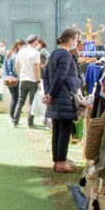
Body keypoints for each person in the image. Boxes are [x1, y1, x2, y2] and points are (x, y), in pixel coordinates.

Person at [42, 28, 80, 173]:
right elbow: (61, 76)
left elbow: (46, 76)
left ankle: (57, 162)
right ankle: (62, 162)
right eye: (76, 40)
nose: (76, 43)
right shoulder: (65, 55)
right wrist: (50, 94)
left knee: (57, 130)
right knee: (64, 130)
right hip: (64, 97)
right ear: (70, 40)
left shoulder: (53, 54)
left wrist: (48, 93)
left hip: (54, 98)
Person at [11, 35, 41, 128]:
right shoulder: (36, 53)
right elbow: (37, 68)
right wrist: (38, 81)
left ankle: (15, 121)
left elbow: (16, 66)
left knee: (20, 101)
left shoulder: (21, 52)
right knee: (32, 102)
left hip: (23, 79)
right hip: (33, 80)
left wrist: (21, 75)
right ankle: (30, 123)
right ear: (35, 41)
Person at [2, 39, 24, 119]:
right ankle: (12, 117)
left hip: (7, 79)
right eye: (23, 46)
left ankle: (12, 116)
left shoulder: (8, 53)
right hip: (14, 79)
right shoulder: (15, 56)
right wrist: (19, 76)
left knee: (13, 98)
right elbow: (15, 69)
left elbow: (4, 66)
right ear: (19, 45)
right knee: (16, 98)